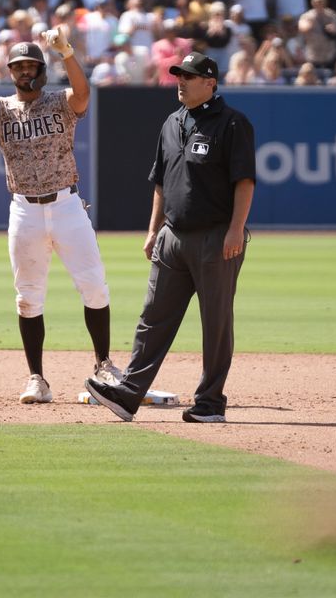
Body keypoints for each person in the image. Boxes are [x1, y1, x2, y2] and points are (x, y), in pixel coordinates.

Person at [85, 51, 255, 423]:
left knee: (216, 323)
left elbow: (244, 181)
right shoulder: (172, 122)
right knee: (153, 317)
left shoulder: (231, 124)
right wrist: (152, 229)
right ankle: (129, 394)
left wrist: (235, 230)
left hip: (215, 238)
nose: (180, 80)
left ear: (210, 82)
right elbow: (161, 182)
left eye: (190, 76)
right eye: (179, 74)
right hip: (172, 237)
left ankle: (210, 403)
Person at [0, 28, 122, 404]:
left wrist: (66, 52)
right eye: (18, 66)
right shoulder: (1, 111)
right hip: (24, 210)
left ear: (41, 69)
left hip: (67, 205)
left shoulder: (58, 102)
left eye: (31, 65)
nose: (24, 71)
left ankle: (104, 365)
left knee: (94, 286)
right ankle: (37, 379)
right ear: (11, 72)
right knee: (28, 298)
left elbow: (83, 94)